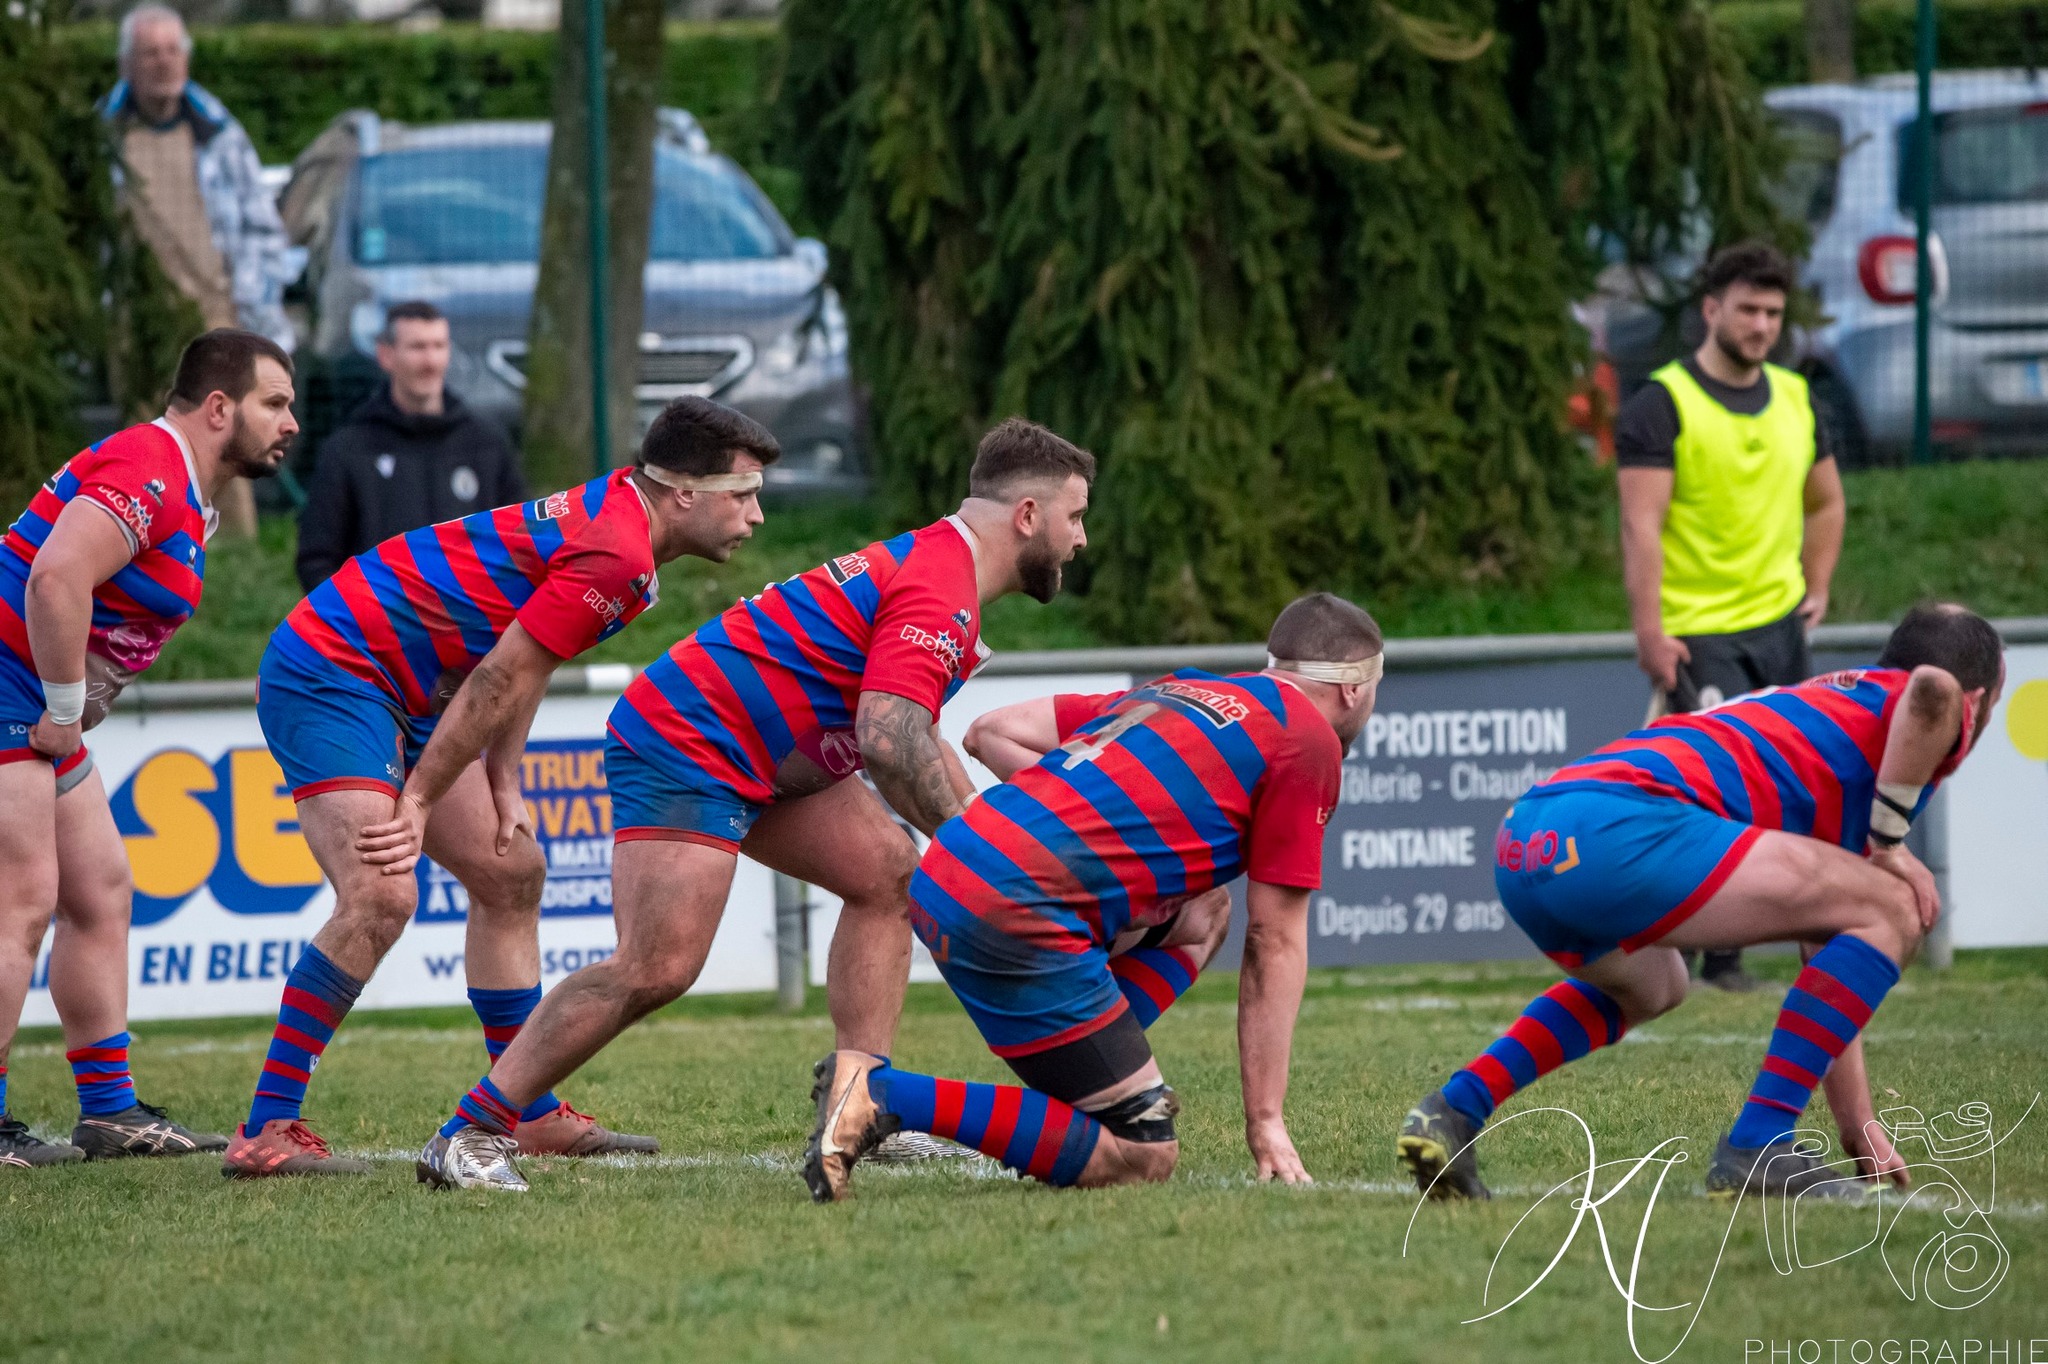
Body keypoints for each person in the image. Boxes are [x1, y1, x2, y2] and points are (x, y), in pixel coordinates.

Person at [413, 417, 1094, 1193]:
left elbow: (912, 730)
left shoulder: (942, 569)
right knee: (657, 966)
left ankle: (861, 1104)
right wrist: (985, 849)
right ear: (1028, 517)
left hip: (763, 754)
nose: (1079, 540)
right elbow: (887, 736)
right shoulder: (941, 584)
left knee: (888, 875)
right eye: (1075, 517)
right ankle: (470, 1129)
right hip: (690, 740)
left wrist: (980, 830)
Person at [222, 397, 777, 1178]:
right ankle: (266, 1128)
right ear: (684, 492)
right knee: (381, 895)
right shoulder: (619, 550)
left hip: (416, 689)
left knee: (511, 874)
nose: (754, 516)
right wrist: (415, 802)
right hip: (336, 666)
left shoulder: (627, 531)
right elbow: (498, 676)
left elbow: (524, 657)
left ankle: (527, 1113)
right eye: (743, 494)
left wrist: (503, 775)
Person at [1397, 604, 2003, 1203]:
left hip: (1529, 836)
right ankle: (1759, 1145)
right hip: (1618, 830)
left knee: (1655, 985)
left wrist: (1857, 1124)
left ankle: (1455, 1109)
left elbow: (1832, 954)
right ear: (1975, 705)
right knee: (1897, 904)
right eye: (1991, 709)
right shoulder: (1915, 702)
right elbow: (1933, 689)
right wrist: (1892, 846)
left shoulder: (1833, 713)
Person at [804, 593, 1382, 1200]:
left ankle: (1079, 1082)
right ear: (1353, 690)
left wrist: (1059, 820)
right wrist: (1266, 1123)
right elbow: (1274, 943)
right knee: (1143, 1153)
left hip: (951, 864)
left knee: (1206, 910)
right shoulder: (1307, 741)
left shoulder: (1184, 688)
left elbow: (992, 731)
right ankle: (880, 1093)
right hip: (1016, 905)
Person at [0, 329, 295, 1167]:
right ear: (218, 407)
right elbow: (54, 578)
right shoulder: (152, 469)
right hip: (11, 692)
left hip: (26, 695)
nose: (290, 423)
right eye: (275, 403)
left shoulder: (182, 488)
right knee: (19, 904)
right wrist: (63, 705)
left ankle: (111, 1111)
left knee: (99, 890)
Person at [1614, 241, 1847, 994]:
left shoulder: (1795, 396)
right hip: (1698, 630)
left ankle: (1807, 937)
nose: (1761, 325)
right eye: (1748, 309)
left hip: (1779, 625)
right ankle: (1720, 955)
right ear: (1710, 310)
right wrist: (1651, 631)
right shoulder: (1662, 401)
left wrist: (1818, 584)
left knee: (1797, 789)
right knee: (1720, 797)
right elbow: (1639, 526)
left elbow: (1826, 500)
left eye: (1774, 313)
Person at [101, 5, 297, 539]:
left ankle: (233, 556)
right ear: (127, 65)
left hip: (216, 313)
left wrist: (252, 306)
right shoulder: (104, 137)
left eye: (171, 51)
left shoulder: (218, 134)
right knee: (144, 439)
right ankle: (141, 540)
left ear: (186, 58)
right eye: (149, 53)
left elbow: (262, 229)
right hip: (136, 319)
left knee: (228, 432)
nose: (163, 63)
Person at [295, 302, 527, 591]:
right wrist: (362, 621)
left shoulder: (485, 444)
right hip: (379, 629)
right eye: (417, 347)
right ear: (386, 355)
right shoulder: (348, 450)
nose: (430, 362)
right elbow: (317, 559)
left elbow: (519, 546)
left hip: (470, 629)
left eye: (439, 346)